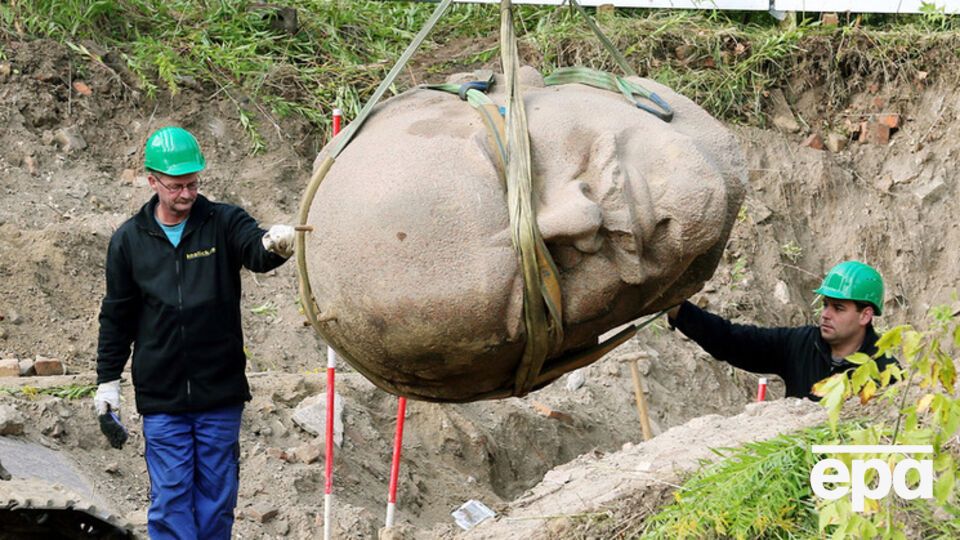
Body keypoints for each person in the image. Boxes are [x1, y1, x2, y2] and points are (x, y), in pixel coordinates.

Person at [93, 126, 295, 539]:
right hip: (162, 393)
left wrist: (276, 246)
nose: (187, 194)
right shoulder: (129, 241)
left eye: (193, 183)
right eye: (176, 186)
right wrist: (107, 382)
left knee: (217, 499)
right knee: (171, 498)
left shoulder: (223, 222)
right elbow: (117, 316)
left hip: (219, 391)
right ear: (152, 181)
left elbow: (255, 251)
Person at [667, 261, 899, 400]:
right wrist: (678, 309)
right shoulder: (801, 344)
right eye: (826, 304)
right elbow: (732, 341)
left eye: (838, 308)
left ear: (865, 315)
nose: (826, 314)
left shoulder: (885, 369)